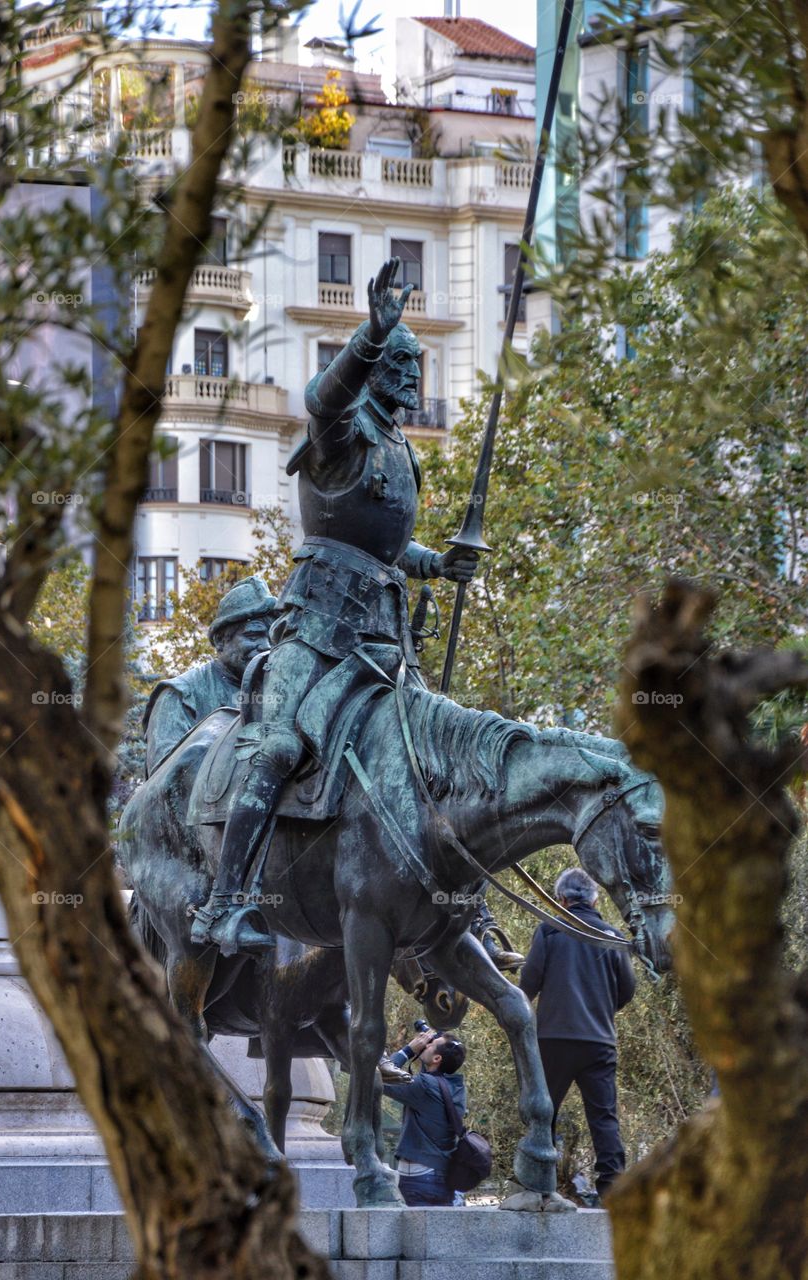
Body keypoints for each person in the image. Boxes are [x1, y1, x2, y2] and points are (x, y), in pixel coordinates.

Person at [189, 258, 478, 956]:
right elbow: (321, 399)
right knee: (280, 744)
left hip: (382, 636)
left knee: (433, 757)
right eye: (402, 363)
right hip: (316, 629)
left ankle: (462, 911)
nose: (414, 376)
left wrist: (436, 563)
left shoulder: (402, 449)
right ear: (378, 368)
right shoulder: (342, 436)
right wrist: (372, 336)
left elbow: (381, 544)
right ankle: (225, 906)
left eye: (417, 364)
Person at [519, 866, 636, 1202]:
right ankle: (612, 1189)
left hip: (552, 1039)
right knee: (603, 1117)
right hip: (599, 1041)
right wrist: (599, 1008)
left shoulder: (549, 931)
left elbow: (528, 985)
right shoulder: (612, 937)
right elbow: (627, 991)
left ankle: (538, 1185)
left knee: (544, 1112)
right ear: (596, 900)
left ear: (561, 899)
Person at [143, 576, 277, 776]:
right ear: (220, 641)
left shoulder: (280, 691)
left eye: (272, 637)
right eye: (253, 636)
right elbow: (165, 784)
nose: (266, 646)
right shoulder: (179, 696)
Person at [382, 1028, 467, 1206]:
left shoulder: (425, 1086)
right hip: (441, 1175)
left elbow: (379, 1075)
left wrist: (409, 1050)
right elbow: (430, 1074)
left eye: (431, 1044)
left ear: (437, 1059)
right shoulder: (456, 1087)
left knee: (416, 1233)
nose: (425, 1044)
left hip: (420, 1179)